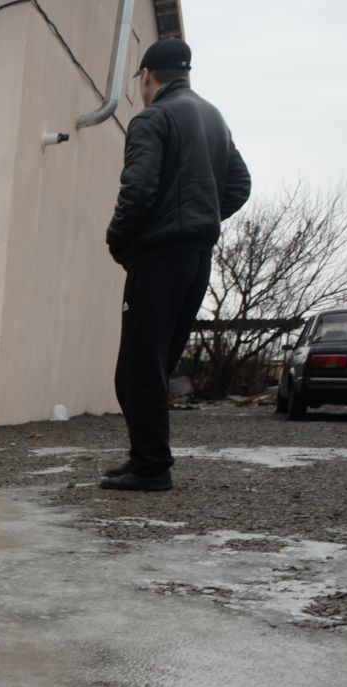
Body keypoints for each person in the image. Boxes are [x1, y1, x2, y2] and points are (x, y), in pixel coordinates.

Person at [102, 37, 250, 492]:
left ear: (147, 76)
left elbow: (139, 189)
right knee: (157, 362)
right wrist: (198, 217)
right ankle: (144, 458)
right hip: (196, 257)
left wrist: (118, 238)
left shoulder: (153, 118)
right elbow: (239, 185)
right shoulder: (213, 118)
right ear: (186, 73)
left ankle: (151, 468)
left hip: (159, 256)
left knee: (136, 369)